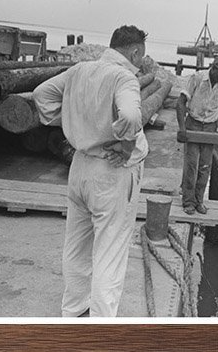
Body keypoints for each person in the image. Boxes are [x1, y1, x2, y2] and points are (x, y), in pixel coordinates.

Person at [32, 25, 148, 318]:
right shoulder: (124, 77)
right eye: (142, 55)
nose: (143, 60)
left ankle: (72, 311)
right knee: (110, 251)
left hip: (80, 165)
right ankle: (100, 327)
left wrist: (72, 123)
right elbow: (132, 115)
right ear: (135, 51)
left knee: (76, 246)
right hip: (111, 171)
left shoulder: (79, 70)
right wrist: (126, 143)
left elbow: (40, 93)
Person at [177, 54, 218, 215]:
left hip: (210, 126)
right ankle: (188, 201)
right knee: (191, 165)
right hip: (193, 124)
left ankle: (199, 200)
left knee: (205, 166)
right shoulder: (197, 78)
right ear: (213, 68)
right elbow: (180, 103)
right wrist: (182, 128)